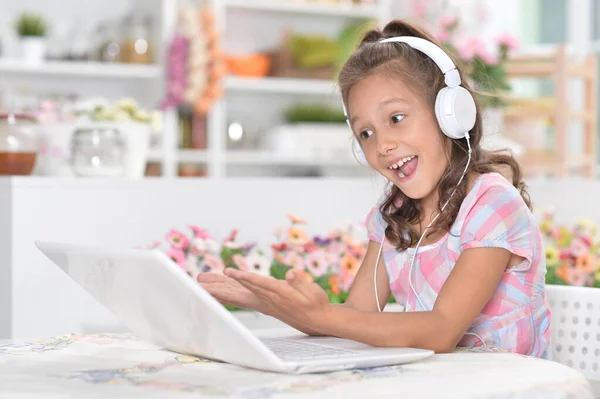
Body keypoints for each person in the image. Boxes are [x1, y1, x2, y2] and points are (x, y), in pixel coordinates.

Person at [197, 19, 551, 358]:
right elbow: (358, 315)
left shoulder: (491, 203)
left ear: (450, 112)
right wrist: (274, 303)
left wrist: (322, 316)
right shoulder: (394, 214)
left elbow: (442, 330)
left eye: (396, 119)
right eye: (365, 133)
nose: (382, 145)